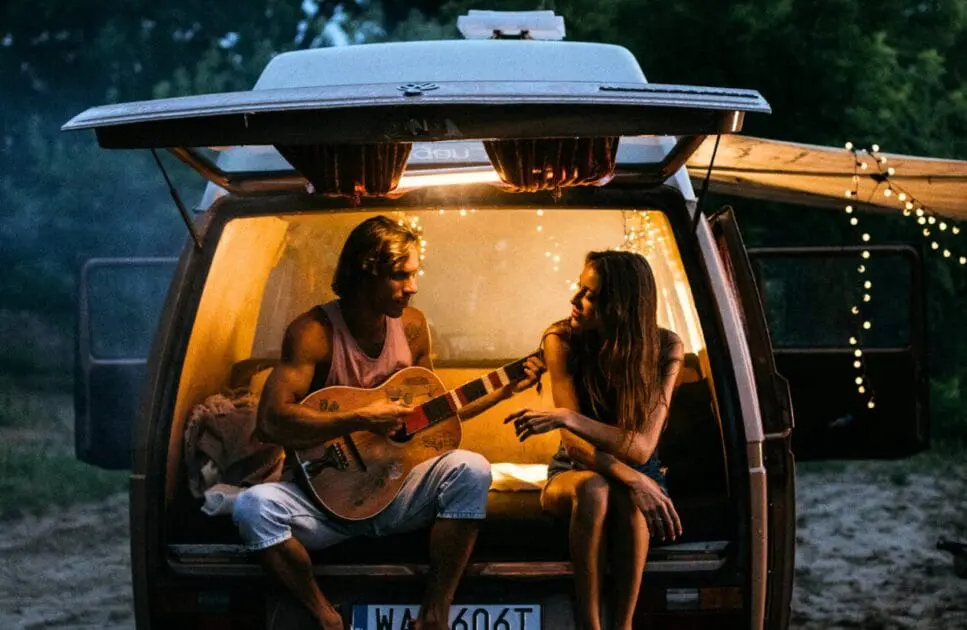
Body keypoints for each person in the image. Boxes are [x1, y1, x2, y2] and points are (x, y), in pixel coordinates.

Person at [232, 215, 543, 630]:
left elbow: (434, 413)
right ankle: (325, 616)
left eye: (414, 274)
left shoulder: (412, 327)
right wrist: (361, 417)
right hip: (325, 504)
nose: (412, 287)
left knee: (472, 468)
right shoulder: (313, 333)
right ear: (366, 270)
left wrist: (504, 390)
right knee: (252, 507)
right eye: (400, 276)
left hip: (398, 491)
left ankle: (434, 614)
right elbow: (272, 422)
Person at [505, 250, 684, 630]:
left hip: (641, 469)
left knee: (630, 500)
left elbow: (642, 448)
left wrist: (570, 418)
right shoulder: (561, 340)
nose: (575, 299)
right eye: (579, 287)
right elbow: (575, 447)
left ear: (621, 306)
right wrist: (635, 479)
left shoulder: (666, 348)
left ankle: (623, 625)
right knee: (595, 489)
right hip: (576, 468)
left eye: (591, 295)